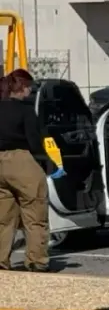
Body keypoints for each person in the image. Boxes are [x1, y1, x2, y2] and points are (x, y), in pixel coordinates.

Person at [0, 69, 66, 272]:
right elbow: (34, 142)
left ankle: (1, 259)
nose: (31, 91)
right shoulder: (26, 110)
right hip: (22, 161)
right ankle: (36, 261)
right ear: (23, 87)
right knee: (35, 214)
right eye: (30, 87)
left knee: (3, 218)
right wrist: (50, 165)